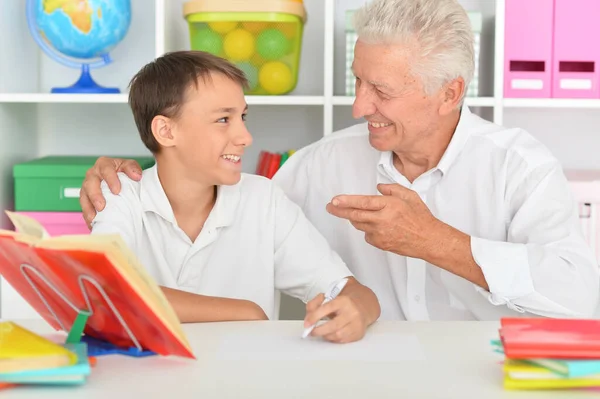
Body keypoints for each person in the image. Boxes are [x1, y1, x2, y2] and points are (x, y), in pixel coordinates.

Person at [80, 0, 599, 321]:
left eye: (382, 90)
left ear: (450, 93)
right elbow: (221, 194)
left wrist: (437, 242)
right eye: (357, 80)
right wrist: (128, 167)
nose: (357, 107)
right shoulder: (317, 166)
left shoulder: (519, 166)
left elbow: (580, 297)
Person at [87, 50, 380, 343]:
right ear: (166, 130)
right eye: (223, 119)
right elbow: (101, 291)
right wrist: (245, 311)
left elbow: (348, 290)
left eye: (242, 116)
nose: (245, 137)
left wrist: (358, 310)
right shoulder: (119, 194)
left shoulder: (263, 199)